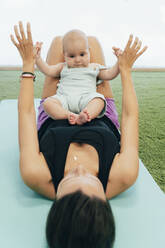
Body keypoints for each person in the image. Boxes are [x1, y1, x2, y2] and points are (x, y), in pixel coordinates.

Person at [11, 22, 147, 248]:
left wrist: (28, 65)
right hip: (98, 110)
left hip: (56, 110)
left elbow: (25, 113)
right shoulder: (124, 174)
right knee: (90, 42)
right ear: (104, 200)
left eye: (70, 179)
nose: (81, 170)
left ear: (55, 204)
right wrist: (125, 70)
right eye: (92, 181)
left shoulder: (35, 173)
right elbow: (130, 117)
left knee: (58, 43)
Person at [35, 29, 122, 125]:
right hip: (63, 99)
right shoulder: (62, 67)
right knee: (48, 104)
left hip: (87, 98)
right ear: (64, 55)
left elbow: (110, 74)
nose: (77, 59)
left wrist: (119, 62)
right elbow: (47, 70)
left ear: (89, 51)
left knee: (99, 101)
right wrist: (37, 58)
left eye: (82, 54)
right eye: (71, 56)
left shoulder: (94, 67)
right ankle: (68, 115)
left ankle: (86, 115)